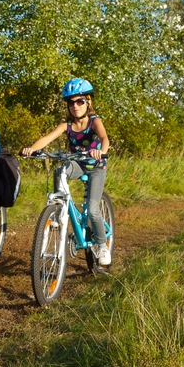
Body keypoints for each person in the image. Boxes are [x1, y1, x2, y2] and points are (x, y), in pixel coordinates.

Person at [21, 78, 111, 267]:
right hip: (77, 164)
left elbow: (104, 138)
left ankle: (102, 246)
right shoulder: (66, 125)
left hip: (96, 166)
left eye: (80, 101)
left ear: (88, 102)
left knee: (93, 208)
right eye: (71, 102)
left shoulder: (94, 121)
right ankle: (58, 204)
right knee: (60, 169)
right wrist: (31, 149)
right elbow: (47, 138)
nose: (75, 106)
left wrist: (101, 151)